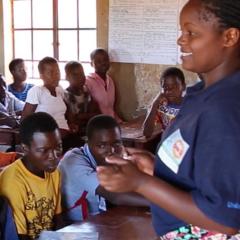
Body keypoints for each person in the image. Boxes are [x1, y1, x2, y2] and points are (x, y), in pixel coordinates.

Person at [97, 0, 240, 239]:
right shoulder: (201, 94)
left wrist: (141, 183)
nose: (181, 40)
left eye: (191, 33)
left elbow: (224, 220)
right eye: (181, 32)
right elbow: (203, 168)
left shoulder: (224, 108)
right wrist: (156, 167)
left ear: (230, 36)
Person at [58, 115, 148, 222]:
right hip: (75, 228)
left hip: (100, 219)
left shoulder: (115, 154)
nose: (111, 151)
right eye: (102, 146)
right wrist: (159, 202)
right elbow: (114, 196)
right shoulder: (73, 162)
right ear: (88, 143)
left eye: (116, 143)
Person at [0, 112, 64, 240]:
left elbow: (58, 218)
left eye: (58, 147)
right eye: (44, 150)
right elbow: (19, 236)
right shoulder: (12, 182)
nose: (54, 156)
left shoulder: (53, 172)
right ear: (25, 148)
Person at [21, 57, 70, 135]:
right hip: (48, 139)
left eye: (57, 72)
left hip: (66, 135)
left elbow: (66, 114)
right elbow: (24, 121)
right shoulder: (36, 91)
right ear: (41, 76)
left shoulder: (59, 90)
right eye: (51, 72)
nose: (56, 76)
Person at [143, 67, 186, 137]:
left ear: (183, 86)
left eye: (174, 87)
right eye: (165, 88)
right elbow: (146, 133)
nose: (169, 91)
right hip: (166, 145)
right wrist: (155, 103)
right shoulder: (161, 106)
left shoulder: (189, 106)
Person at [86, 48, 122, 122]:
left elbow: (111, 109)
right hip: (97, 124)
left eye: (105, 59)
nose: (103, 63)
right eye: (98, 61)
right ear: (91, 64)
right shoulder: (88, 81)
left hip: (112, 121)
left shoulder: (110, 81)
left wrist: (120, 121)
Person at [64, 61, 100, 135]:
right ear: (67, 77)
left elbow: (96, 115)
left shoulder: (87, 92)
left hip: (89, 132)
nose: (80, 77)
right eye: (75, 75)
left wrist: (82, 116)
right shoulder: (65, 96)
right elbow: (72, 120)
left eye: (82, 73)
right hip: (74, 134)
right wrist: (86, 116)